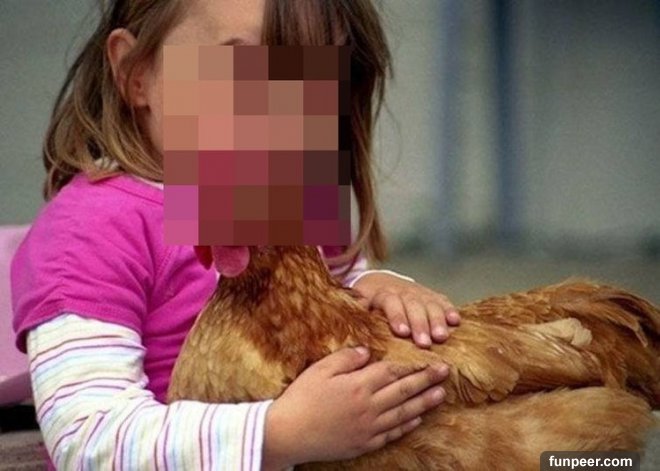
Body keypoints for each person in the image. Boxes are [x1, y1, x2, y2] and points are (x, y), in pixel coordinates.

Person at [11, 0, 461, 469]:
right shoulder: (91, 232)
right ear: (136, 72)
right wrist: (278, 433)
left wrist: (375, 288)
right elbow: (87, 439)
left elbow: (336, 285)